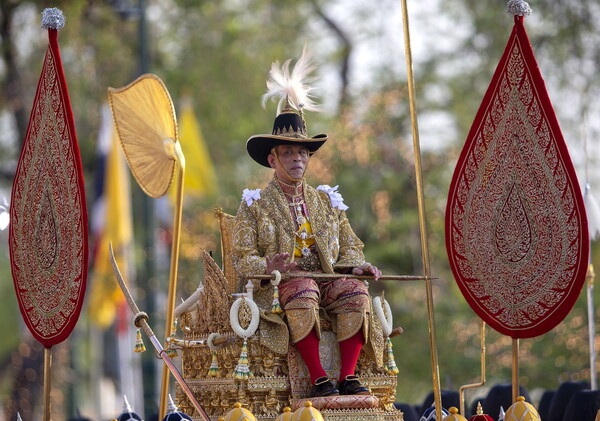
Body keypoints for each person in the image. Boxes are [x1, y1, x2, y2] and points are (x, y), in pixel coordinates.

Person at [233, 49, 381, 398]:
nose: (297, 159)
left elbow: (350, 245)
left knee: (355, 291)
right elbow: (242, 257)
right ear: (273, 158)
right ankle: (318, 378)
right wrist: (268, 265)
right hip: (281, 285)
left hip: (328, 278)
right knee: (302, 289)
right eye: (288, 152)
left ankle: (347, 377)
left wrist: (357, 267)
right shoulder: (253, 204)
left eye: (302, 152)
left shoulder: (327, 200)